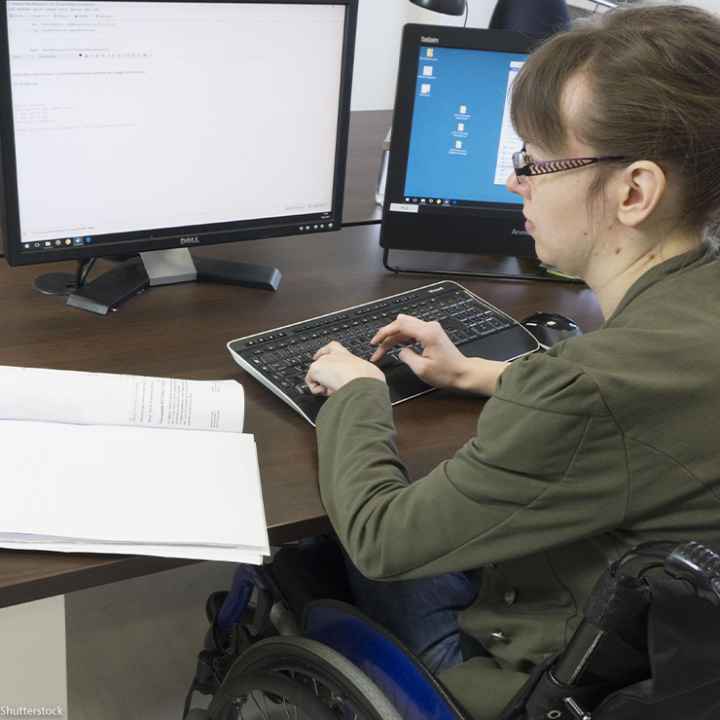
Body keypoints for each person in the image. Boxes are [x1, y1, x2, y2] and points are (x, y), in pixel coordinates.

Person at [304, 5, 720, 720]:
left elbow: (381, 538)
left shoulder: (585, 387)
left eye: (534, 161)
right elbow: (646, 413)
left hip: (540, 679)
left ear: (634, 191)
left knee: (318, 547)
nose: (512, 181)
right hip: (665, 660)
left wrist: (359, 391)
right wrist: (480, 373)